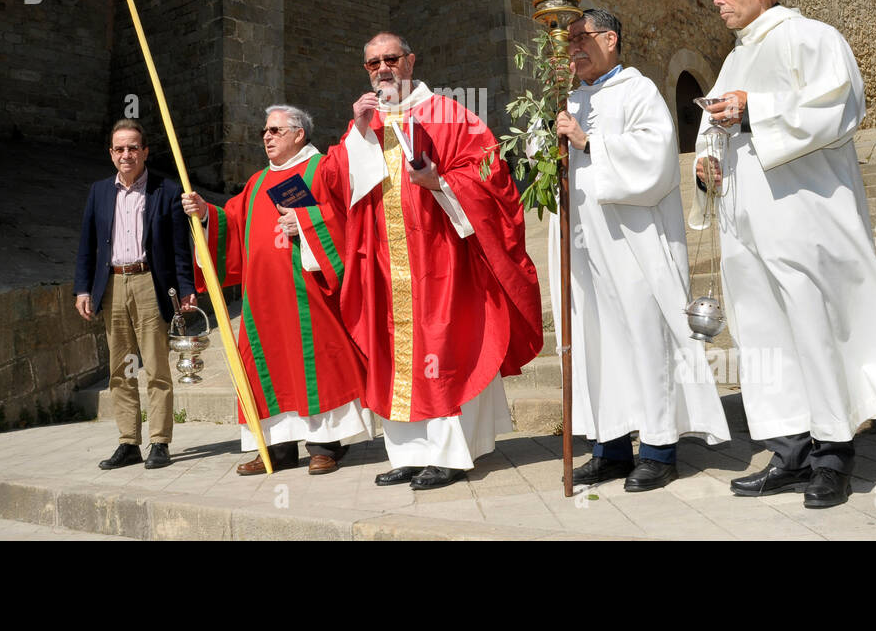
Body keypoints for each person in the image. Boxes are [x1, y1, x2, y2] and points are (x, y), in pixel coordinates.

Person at [690, 0, 876, 509]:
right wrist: (706, 162)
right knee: (763, 335)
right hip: (745, 223)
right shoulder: (733, 59)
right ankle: (789, 449)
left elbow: (841, 107)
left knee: (813, 326)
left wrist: (754, 108)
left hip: (801, 216)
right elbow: (714, 125)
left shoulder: (811, 36)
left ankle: (833, 454)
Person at [318, 32, 544, 490]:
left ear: (411, 61)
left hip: (443, 262)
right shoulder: (365, 123)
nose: (383, 69)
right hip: (383, 266)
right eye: (373, 63)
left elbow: (491, 177)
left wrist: (441, 182)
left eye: (391, 59)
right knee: (393, 357)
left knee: (442, 350)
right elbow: (333, 187)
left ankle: (448, 453)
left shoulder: (448, 113)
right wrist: (358, 132)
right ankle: (408, 452)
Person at [553, 8, 730, 492]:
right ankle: (609, 447)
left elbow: (657, 162)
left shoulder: (638, 90)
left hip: (634, 242)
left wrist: (588, 140)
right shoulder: (568, 99)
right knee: (597, 342)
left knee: (645, 338)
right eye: (567, 39)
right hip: (586, 244)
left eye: (580, 37)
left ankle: (657, 449)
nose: (572, 46)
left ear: (610, 38)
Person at [181, 105, 371, 475]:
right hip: (261, 300)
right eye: (264, 132)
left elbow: (348, 218)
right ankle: (276, 449)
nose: (266, 137)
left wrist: (307, 223)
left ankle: (324, 445)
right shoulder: (256, 183)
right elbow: (232, 224)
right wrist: (205, 213)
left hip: (309, 293)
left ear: (299, 134)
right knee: (265, 367)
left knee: (315, 363)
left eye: (275, 130)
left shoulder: (320, 169)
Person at [75, 118, 196, 471]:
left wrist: (186, 290)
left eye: (132, 148)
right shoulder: (99, 191)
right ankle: (128, 442)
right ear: (111, 154)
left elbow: (179, 249)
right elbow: (87, 244)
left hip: (148, 283)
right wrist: (83, 288)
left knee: (156, 366)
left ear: (144, 151)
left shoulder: (166, 190)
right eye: (119, 149)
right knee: (120, 369)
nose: (126, 154)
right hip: (112, 285)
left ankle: (160, 441)